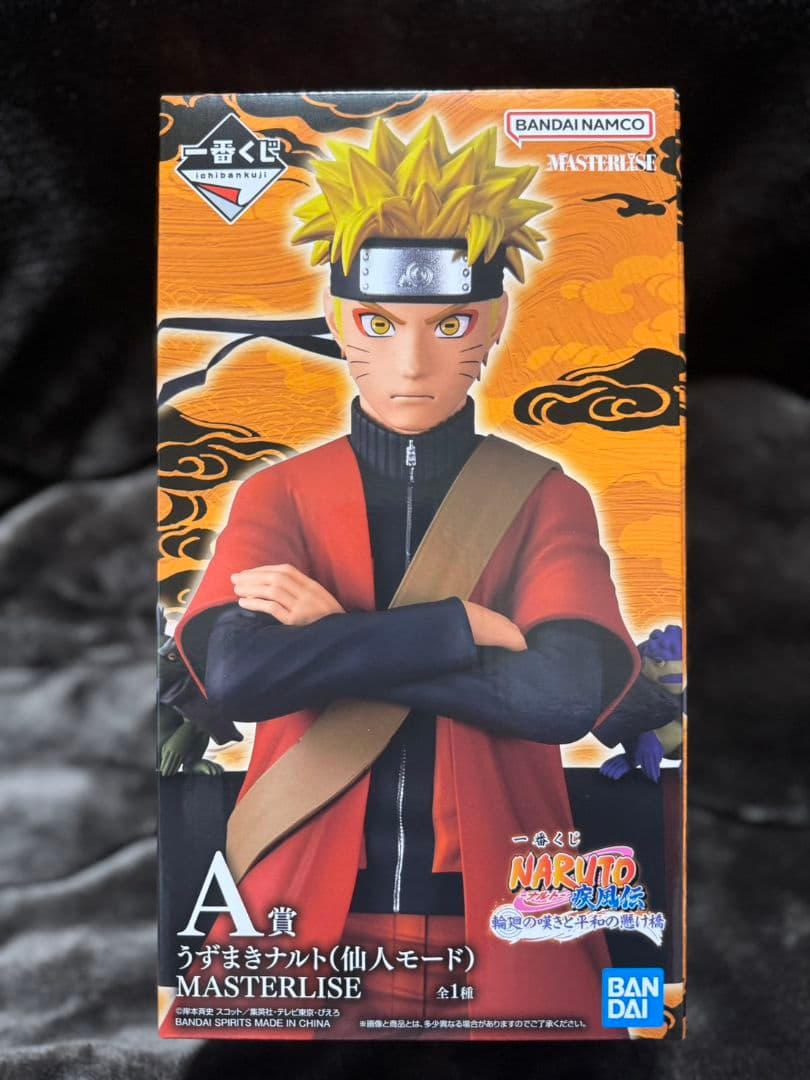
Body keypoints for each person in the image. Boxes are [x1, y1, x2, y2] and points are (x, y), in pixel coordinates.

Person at [169, 116, 640, 1038]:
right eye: (379, 324)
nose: (412, 362)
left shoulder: (545, 495)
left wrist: (333, 636)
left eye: (449, 324)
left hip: (510, 917)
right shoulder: (280, 494)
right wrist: (454, 629)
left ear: (492, 324)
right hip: (296, 913)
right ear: (340, 320)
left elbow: (560, 697)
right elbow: (239, 677)